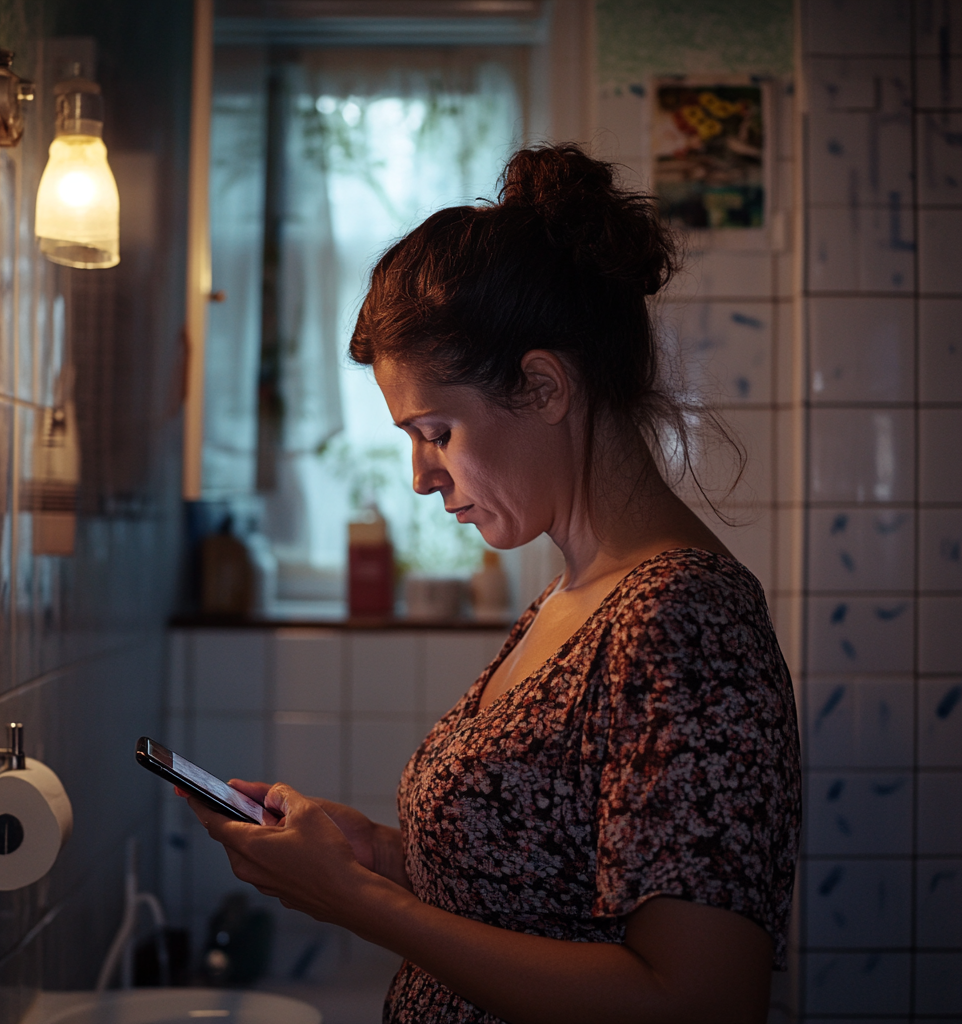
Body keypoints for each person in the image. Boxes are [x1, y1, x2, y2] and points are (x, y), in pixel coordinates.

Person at [179, 144, 801, 1024]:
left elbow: (697, 1000)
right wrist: (374, 858)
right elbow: (536, 895)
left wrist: (358, 905)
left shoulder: (685, 620)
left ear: (543, 386)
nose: (420, 477)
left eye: (434, 430)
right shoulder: (571, 598)